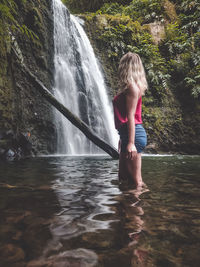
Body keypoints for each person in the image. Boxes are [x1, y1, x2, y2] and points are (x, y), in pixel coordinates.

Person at [113, 52, 148, 188]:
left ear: (126, 66)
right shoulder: (129, 87)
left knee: (136, 181)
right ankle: (126, 207)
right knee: (123, 177)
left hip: (134, 136)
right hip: (126, 134)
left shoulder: (132, 88)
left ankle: (139, 208)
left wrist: (131, 143)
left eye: (122, 63)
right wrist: (122, 140)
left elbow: (130, 116)